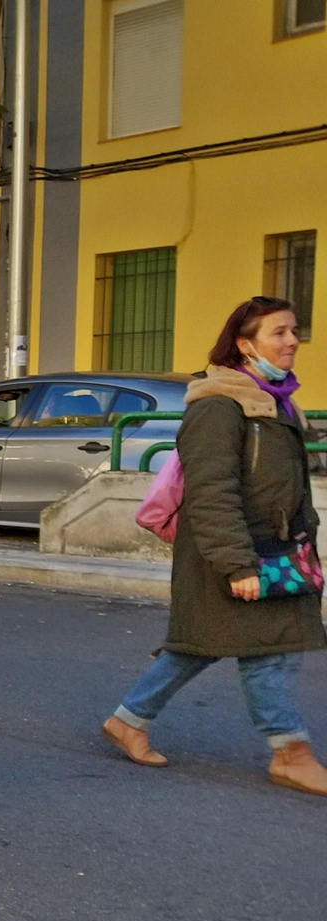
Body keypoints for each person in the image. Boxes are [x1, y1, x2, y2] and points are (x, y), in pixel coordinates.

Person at [101, 297, 327, 796]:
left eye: (294, 331)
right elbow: (211, 491)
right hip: (231, 551)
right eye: (279, 332)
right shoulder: (219, 406)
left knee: (202, 644)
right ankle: (290, 754)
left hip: (275, 550)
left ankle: (128, 719)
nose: (292, 341)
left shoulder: (277, 403)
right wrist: (236, 563)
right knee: (266, 650)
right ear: (246, 346)